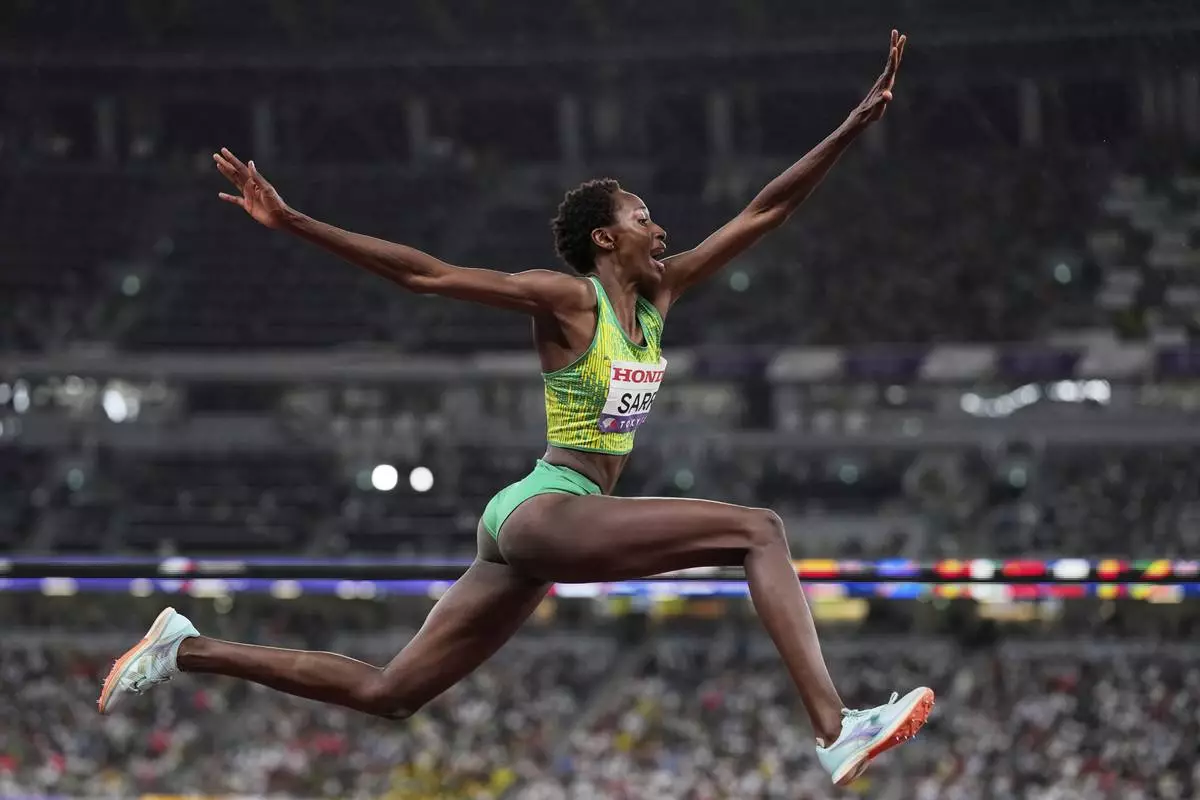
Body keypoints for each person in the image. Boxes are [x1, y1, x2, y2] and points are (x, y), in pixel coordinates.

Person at [100, 30, 930, 786]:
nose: (661, 228)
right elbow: (426, 275)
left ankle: (187, 648)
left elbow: (766, 209)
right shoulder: (567, 300)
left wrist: (851, 126)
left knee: (392, 693)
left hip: (534, 520)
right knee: (760, 530)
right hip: (549, 507)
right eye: (642, 218)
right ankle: (835, 728)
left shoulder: (659, 296)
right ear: (604, 238)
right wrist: (293, 222)